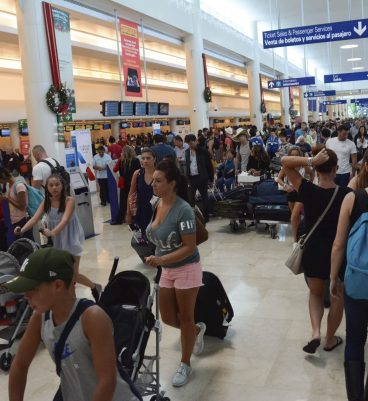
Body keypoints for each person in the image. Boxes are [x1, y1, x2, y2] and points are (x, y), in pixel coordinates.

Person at [5, 247, 140, 401]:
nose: (26, 296)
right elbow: (20, 365)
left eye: (33, 289)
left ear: (57, 285)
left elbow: (107, 382)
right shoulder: (40, 317)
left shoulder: (92, 318)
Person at [281, 146, 351, 354]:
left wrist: (309, 160)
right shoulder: (346, 194)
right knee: (337, 296)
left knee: (315, 293)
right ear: (336, 169)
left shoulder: (307, 189)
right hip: (337, 253)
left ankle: (315, 333)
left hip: (313, 250)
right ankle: (330, 339)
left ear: (318, 169)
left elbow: (285, 162)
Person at [145, 160, 206, 387]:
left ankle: (185, 363)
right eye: (153, 180)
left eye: (159, 181)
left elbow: (189, 247)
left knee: (186, 317)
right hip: (167, 268)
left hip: (187, 268)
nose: (154, 184)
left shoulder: (184, 210)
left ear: (172, 184)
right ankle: (197, 330)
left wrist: (161, 259)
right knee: (169, 317)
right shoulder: (157, 204)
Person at [15, 174, 101, 301]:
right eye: (51, 185)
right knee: (64, 275)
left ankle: (88, 292)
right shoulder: (46, 202)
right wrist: (21, 230)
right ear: (47, 187)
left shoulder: (69, 200)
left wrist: (52, 232)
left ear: (62, 186)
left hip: (71, 238)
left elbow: (65, 220)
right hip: (57, 241)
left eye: (57, 184)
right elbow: (34, 219)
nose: (54, 187)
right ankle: (80, 296)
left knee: (72, 275)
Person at [330, 185, 368, 401]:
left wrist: (334, 277)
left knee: (354, 338)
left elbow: (338, 244)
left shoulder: (353, 198)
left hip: (357, 280)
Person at [184, 134, 214, 223]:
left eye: (191, 143)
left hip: (202, 178)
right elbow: (187, 166)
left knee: (204, 197)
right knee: (190, 198)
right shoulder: (187, 152)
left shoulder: (203, 151)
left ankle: (206, 217)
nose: (190, 145)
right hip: (191, 178)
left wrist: (211, 179)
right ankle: (193, 217)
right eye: (188, 144)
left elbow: (209, 166)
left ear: (196, 141)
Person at [126, 148, 155, 233]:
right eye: (143, 158)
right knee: (144, 238)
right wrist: (128, 214)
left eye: (148, 158)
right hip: (142, 211)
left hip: (157, 211)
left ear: (154, 159)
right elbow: (131, 194)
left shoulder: (159, 173)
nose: (145, 161)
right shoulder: (137, 174)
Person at [276, 147, 314, 212]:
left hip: (302, 191)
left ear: (299, 156)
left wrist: (309, 185)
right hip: (291, 192)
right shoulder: (286, 166)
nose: (294, 157)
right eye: (292, 155)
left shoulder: (303, 165)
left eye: (296, 155)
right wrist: (286, 186)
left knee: (301, 213)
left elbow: (312, 174)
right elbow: (278, 179)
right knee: (293, 213)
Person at [0, 167, 34, 240]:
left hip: (22, 220)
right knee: (21, 246)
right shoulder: (10, 185)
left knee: (27, 244)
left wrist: (8, 199)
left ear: (3, 177)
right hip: (16, 220)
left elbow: (22, 207)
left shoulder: (19, 186)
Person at [113, 146, 141, 225]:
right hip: (133, 182)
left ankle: (119, 219)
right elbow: (138, 172)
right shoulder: (135, 160)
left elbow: (114, 169)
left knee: (123, 202)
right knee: (134, 201)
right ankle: (135, 219)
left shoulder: (121, 161)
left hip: (123, 183)